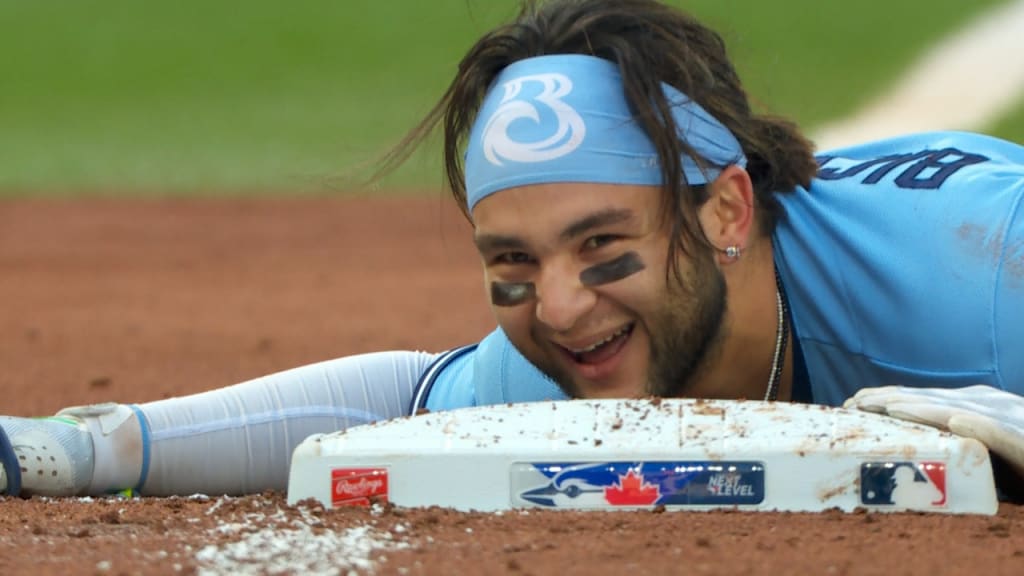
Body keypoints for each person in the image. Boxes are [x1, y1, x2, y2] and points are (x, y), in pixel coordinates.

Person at [2, 0, 1023, 500]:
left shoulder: (982, 281)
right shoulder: (587, 348)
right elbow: (400, 404)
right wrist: (85, 448)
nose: (564, 308)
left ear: (723, 213)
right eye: (515, 264)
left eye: (601, 246)